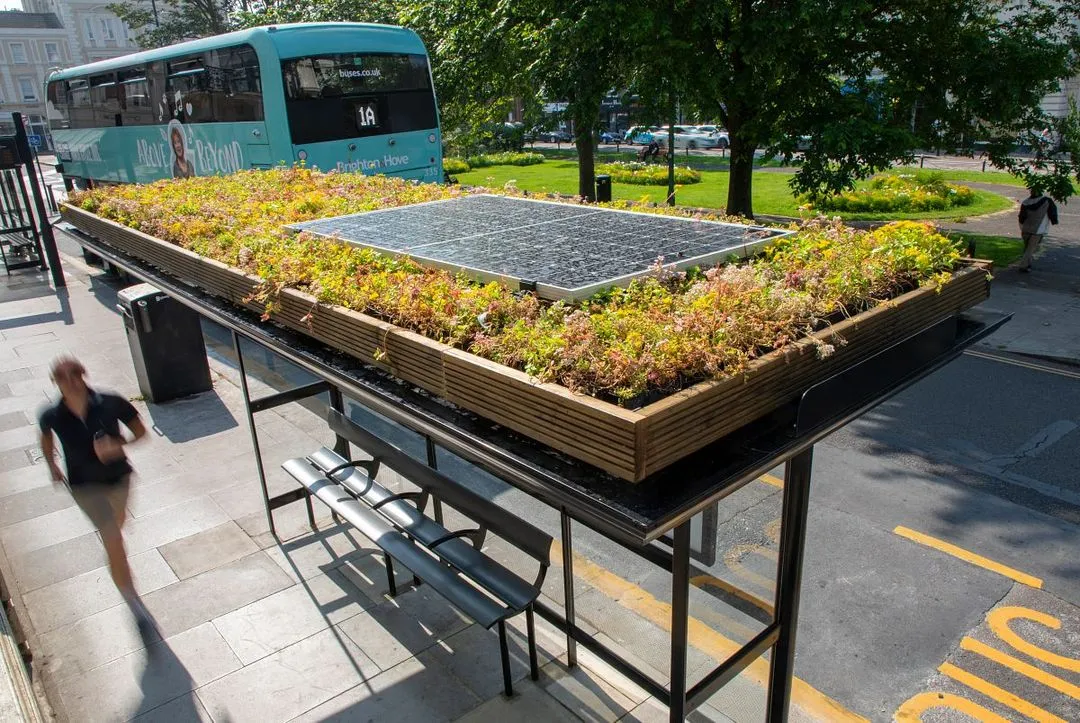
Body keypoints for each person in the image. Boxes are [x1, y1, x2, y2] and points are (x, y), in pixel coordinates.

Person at [38, 357, 155, 639]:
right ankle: (133, 603)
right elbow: (46, 437)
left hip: (119, 479)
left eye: (74, 374)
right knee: (113, 538)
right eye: (63, 377)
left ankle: (115, 556)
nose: (70, 381)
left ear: (83, 374)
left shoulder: (110, 402)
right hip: (84, 487)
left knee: (118, 525)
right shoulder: (51, 415)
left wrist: (119, 444)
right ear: (56, 383)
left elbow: (141, 433)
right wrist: (51, 464)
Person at [1017, 187, 1059, 272]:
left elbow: (1021, 217)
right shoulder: (1047, 201)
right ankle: (1023, 266)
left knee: (1027, 248)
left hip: (1025, 228)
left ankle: (1028, 264)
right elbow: (1053, 213)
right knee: (1031, 249)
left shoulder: (1025, 202)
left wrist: (1022, 226)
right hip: (1038, 229)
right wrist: (1054, 221)